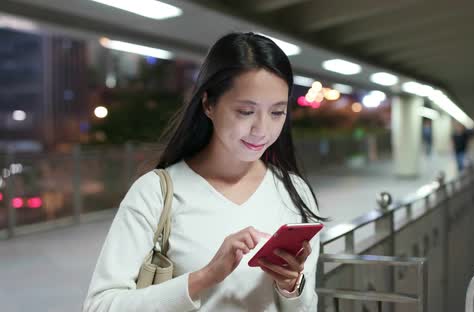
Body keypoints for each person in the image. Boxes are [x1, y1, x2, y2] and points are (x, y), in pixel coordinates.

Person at [83, 32, 327, 312]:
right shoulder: (156, 192)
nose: (262, 129)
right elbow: (99, 306)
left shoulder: (295, 193)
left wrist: (292, 287)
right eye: (246, 111)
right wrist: (204, 277)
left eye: (277, 113)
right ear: (209, 104)